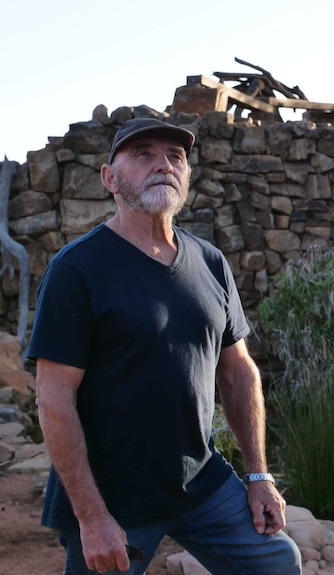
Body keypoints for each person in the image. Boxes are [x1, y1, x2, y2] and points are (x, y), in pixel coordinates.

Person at [27, 117, 302, 575]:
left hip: (202, 484)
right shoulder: (76, 270)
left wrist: (258, 475)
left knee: (275, 563)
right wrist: (93, 517)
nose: (164, 165)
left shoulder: (210, 262)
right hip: (115, 501)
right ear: (109, 178)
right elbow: (53, 398)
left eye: (175, 157)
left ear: (187, 176)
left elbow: (238, 372)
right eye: (144, 154)